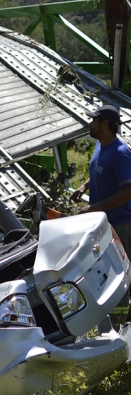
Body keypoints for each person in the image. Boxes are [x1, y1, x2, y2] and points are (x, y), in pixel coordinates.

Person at [70, 104, 131, 326]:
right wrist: (83, 187)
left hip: (120, 225)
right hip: (103, 224)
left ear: (105, 124)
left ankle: (120, 327)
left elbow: (127, 191)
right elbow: (100, 172)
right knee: (103, 273)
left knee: (120, 274)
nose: (90, 123)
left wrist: (94, 208)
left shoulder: (120, 153)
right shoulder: (100, 146)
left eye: (93, 120)